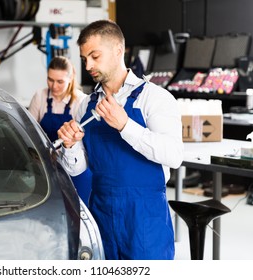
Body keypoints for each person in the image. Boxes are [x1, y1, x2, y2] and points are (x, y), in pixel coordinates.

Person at [57, 20, 184, 260]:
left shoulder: (154, 98)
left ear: (118, 50)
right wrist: (70, 145)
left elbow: (174, 155)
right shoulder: (85, 105)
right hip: (101, 211)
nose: (88, 65)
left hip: (144, 217)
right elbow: (78, 168)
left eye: (95, 56)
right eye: (85, 59)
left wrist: (125, 125)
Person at [28, 56, 92, 206]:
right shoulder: (40, 96)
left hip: (75, 167)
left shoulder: (82, 101)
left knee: (77, 209)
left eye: (60, 81)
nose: (54, 86)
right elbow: (30, 130)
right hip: (44, 164)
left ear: (71, 79)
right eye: (50, 79)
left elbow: (84, 142)